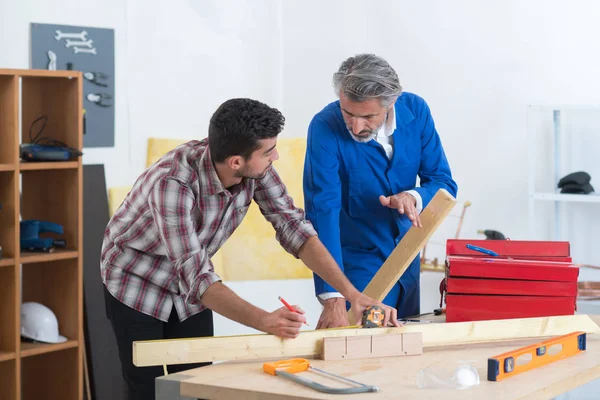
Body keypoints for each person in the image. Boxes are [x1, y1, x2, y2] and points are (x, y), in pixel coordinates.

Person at [100, 97, 399, 400]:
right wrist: (263, 320)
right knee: (147, 388)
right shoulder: (172, 184)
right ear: (236, 162)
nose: (277, 156)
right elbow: (197, 277)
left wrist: (353, 296)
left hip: (189, 281)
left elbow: (294, 229)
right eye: (269, 152)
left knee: (196, 381)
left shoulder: (256, 167)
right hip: (136, 281)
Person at [303, 53, 458, 329]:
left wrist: (413, 196)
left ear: (392, 102)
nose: (356, 126)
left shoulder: (417, 111)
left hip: (407, 263)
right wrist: (334, 297)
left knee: (403, 348)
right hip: (357, 271)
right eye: (347, 113)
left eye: (368, 116)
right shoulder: (324, 127)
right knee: (358, 352)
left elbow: (443, 183)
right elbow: (322, 212)